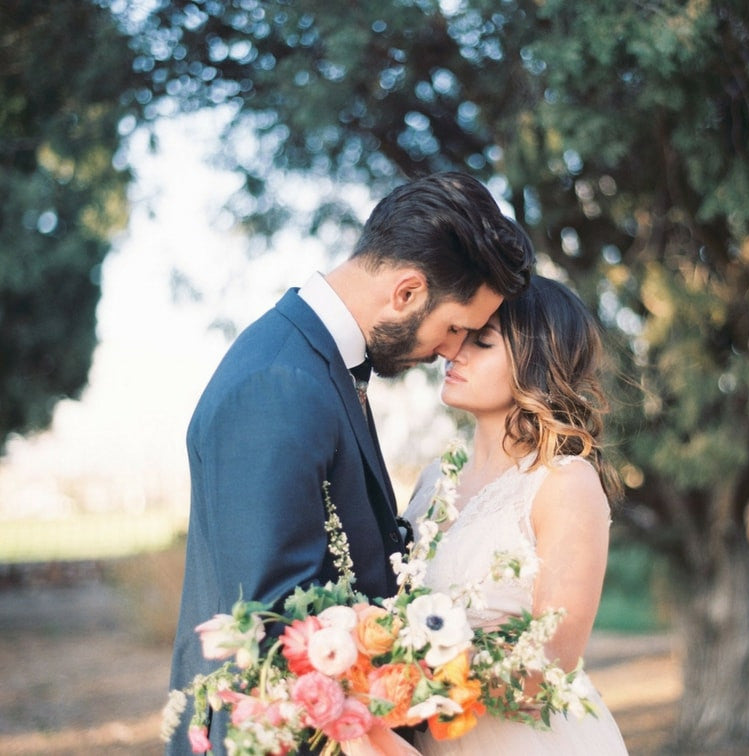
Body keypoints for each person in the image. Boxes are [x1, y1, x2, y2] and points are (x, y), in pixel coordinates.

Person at [167, 172, 535, 755]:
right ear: (407, 292)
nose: (450, 349)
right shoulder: (279, 382)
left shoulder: (314, 366)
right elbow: (274, 629)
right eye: (455, 327)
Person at [404, 275, 628, 754]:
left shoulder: (563, 481)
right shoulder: (432, 480)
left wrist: (411, 676)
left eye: (482, 342)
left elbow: (553, 660)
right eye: (460, 336)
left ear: (536, 365)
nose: (454, 353)